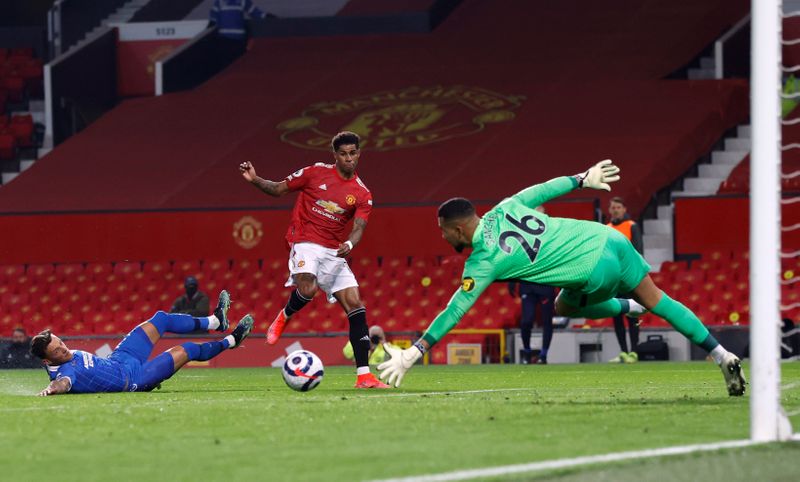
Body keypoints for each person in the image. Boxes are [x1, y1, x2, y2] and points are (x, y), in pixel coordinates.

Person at [379, 160, 746, 397]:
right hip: (608, 238)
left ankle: (627, 306)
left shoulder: (482, 261)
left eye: (444, 232)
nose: (443, 238)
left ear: (459, 228)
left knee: (562, 305)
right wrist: (582, 178)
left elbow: (455, 309)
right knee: (660, 301)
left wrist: (416, 351)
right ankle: (720, 353)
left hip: (589, 271)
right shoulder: (506, 206)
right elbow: (544, 189)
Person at [239, 131, 389, 389]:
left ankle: (364, 376)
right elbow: (277, 189)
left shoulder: (362, 193)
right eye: (343, 154)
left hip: (334, 250)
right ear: (335, 156)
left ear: (359, 154)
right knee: (308, 288)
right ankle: (285, 316)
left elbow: (359, 226)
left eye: (353, 153)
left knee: (355, 303)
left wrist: (350, 243)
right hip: (305, 241)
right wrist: (254, 179)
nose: (348, 158)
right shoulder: (314, 173)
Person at [32, 291, 253, 395]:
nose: (63, 348)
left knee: (160, 319)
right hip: (135, 378)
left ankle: (215, 321)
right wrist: (51, 389)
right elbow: (63, 384)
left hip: (121, 360)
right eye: (57, 350)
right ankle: (232, 340)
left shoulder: (65, 357)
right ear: (47, 360)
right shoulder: (65, 373)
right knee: (188, 350)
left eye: (60, 342)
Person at [606, 196, 643, 363]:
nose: (615, 210)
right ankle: (623, 351)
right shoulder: (606, 228)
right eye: (613, 207)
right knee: (616, 314)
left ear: (624, 209)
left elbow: (638, 252)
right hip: (613, 279)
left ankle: (634, 351)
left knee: (632, 314)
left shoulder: (632, 226)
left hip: (628, 278)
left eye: (618, 207)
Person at [509, 281, 556, 364]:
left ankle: (543, 355)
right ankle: (527, 353)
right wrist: (511, 281)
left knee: (547, 320)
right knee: (526, 321)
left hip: (546, 285)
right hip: (527, 286)